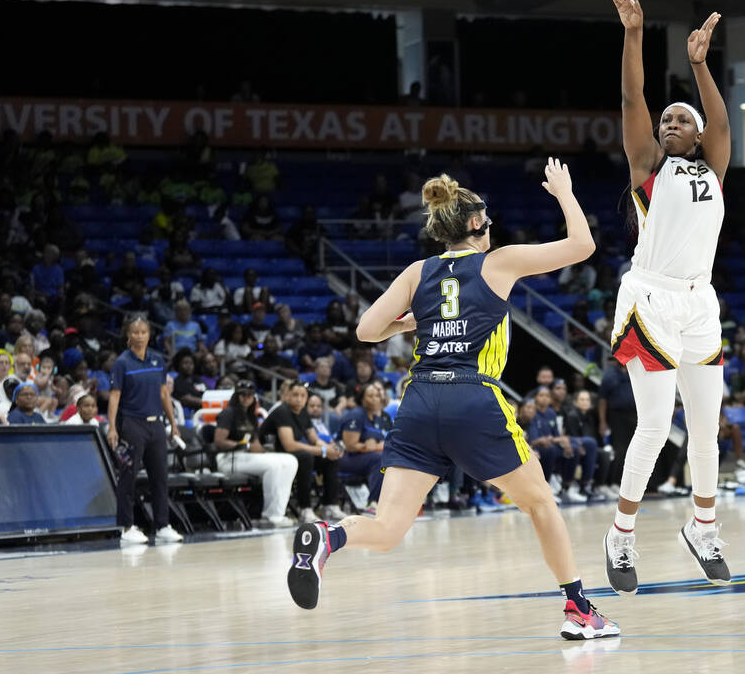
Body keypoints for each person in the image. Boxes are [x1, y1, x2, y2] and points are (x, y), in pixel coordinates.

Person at [285, 162, 619, 641]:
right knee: (542, 503)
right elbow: (582, 246)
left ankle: (328, 537)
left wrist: (409, 323)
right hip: (472, 395)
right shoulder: (497, 262)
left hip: (419, 400)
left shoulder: (417, 272)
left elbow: (365, 331)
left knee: (388, 528)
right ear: (475, 225)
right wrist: (565, 193)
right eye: (488, 220)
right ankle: (579, 609)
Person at [602, 0, 731, 595]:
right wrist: (633, 34)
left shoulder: (716, 167)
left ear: (700, 134)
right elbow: (633, 98)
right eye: (668, 117)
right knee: (654, 425)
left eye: (685, 118)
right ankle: (621, 536)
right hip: (649, 299)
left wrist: (700, 65)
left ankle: (702, 527)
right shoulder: (647, 167)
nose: (673, 120)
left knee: (706, 426)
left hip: (700, 302)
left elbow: (723, 122)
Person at [105, 315, 184, 545]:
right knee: (128, 477)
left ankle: (162, 525)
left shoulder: (157, 360)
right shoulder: (122, 363)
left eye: (143, 332)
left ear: (149, 335)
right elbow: (114, 396)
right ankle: (127, 527)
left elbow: (163, 393)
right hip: (131, 425)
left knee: (160, 477)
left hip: (156, 425)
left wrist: (174, 424)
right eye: (135, 332)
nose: (139, 336)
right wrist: (112, 427)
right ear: (128, 335)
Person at [213, 380, 298, 528]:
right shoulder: (228, 413)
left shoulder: (251, 415)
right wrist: (245, 445)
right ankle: (271, 514)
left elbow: (255, 442)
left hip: (248, 457)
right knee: (273, 466)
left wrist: (261, 449)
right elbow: (219, 441)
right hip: (228, 458)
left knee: (290, 460)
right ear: (236, 396)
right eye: (242, 395)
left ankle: (279, 512)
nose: (246, 398)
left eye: (249, 395)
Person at [260, 380, 346, 525]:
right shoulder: (282, 411)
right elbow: (289, 445)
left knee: (330, 459)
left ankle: (330, 505)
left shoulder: (303, 412)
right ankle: (304, 508)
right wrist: (322, 450)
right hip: (271, 454)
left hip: (291, 455)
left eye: (302, 395)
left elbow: (313, 438)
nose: (299, 399)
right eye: (295, 395)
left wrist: (330, 450)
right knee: (306, 458)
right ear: (287, 396)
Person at [338, 381, 392, 511]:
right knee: (379, 459)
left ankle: (391, 503)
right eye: (370, 396)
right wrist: (365, 446)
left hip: (366, 457)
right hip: (345, 457)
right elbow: (349, 446)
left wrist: (376, 446)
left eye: (377, 396)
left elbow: (380, 443)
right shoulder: (356, 415)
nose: (375, 399)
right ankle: (372, 503)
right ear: (362, 398)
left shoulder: (378, 417)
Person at [597, 357, 635, 500]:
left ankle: (626, 484)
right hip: (616, 416)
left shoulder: (633, 371)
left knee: (632, 450)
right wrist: (602, 421)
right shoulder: (610, 374)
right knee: (619, 450)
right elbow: (602, 399)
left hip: (633, 415)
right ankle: (613, 482)